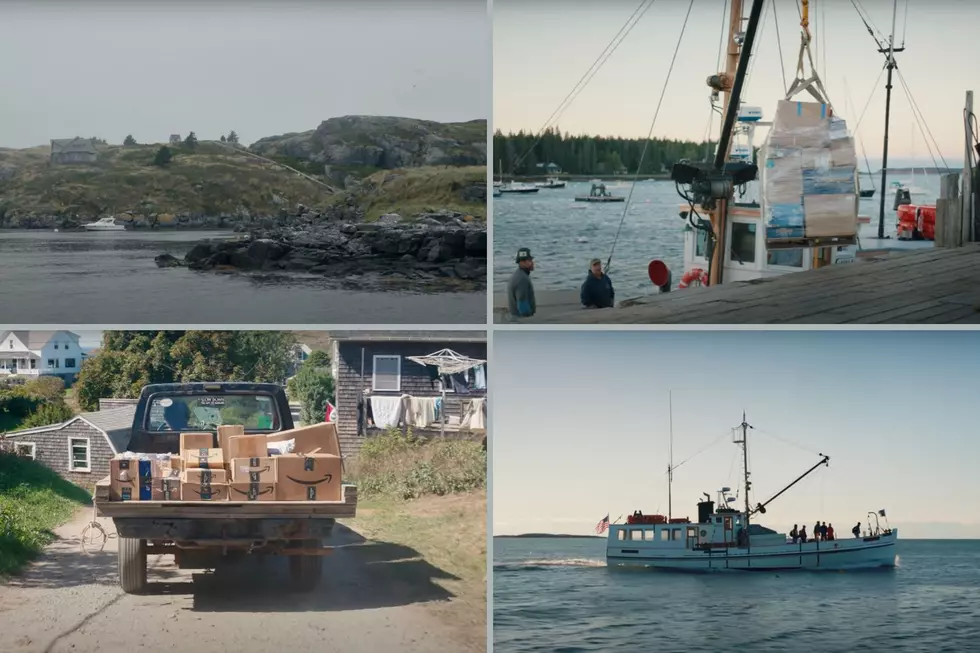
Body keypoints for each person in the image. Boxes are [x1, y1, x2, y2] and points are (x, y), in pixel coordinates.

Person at [507, 247, 536, 319]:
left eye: (531, 260)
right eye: (529, 260)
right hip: (520, 319)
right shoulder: (522, 279)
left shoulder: (518, 274)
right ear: (522, 262)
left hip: (515, 316)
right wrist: (529, 319)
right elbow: (522, 306)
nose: (532, 262)